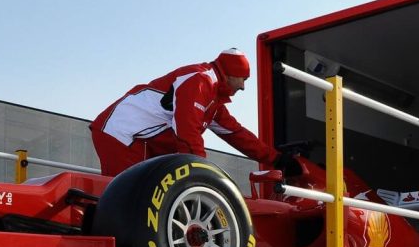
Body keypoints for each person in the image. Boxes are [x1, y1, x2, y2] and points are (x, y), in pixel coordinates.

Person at [90, 48, 278, 176]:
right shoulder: (199, 80)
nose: (244, 87)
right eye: (244, 79)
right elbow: (186, 131)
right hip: (121, 134)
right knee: (130, 199)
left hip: (139, 141)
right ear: (231, 73)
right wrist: (201, 172)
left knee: (146, 199)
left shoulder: (213, 101)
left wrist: (277, 159)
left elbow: (237, 135)